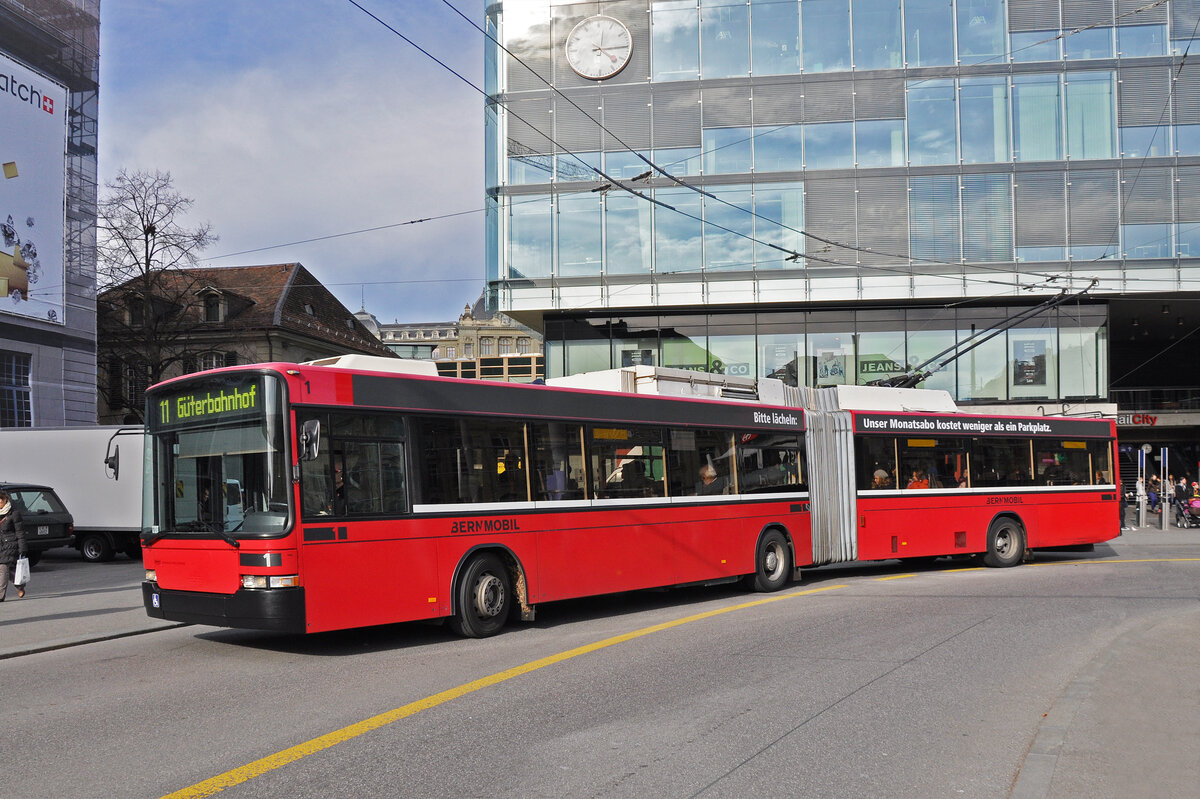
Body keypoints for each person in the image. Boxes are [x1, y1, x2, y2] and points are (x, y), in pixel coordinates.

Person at [0, 489, 29, 600]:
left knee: (3, 567)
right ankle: (19, 585)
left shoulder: (14, 513)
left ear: (5, 499)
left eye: (0, 500)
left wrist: (22, 548)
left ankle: (1, 595)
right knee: (6, 570)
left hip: (10, 544)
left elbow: (20, 532)